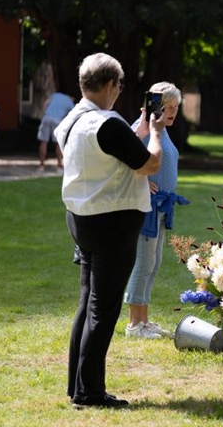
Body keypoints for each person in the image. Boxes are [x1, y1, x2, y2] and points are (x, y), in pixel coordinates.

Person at [54, 52, 165, 409]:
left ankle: (77, 386)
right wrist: (157, 134)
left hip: (82, 217)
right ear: (107, 84)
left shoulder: (71, 118)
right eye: (118, 84)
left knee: (88, 303)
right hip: (111, 222)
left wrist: (140, 132)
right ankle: (91, 392)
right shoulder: (107, 123)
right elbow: (150, 164)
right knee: (103, 309)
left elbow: (101, 160)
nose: (120, 90)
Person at [124, 82, 189, 340]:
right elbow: (122, 159)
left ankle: (144, 320)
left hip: (162, 207)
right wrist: (139, 179)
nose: (172, 111)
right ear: (155, 107)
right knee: (144, 262)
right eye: (167, 107)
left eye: (175, 107)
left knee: (155, 262)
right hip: (145, 207)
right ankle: (133, 325)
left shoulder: (162, 130)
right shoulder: (141, 129)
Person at [38, 92, 76, 171]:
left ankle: (41, 165)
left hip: (46, 117)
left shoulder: (54, 95)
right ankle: (59, 165)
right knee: (58, 143)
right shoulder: (70, 102)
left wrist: (44, 114)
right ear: (72, 98)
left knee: (43, 142)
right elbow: (73, 115)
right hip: (57, 120)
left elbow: (45, 103)